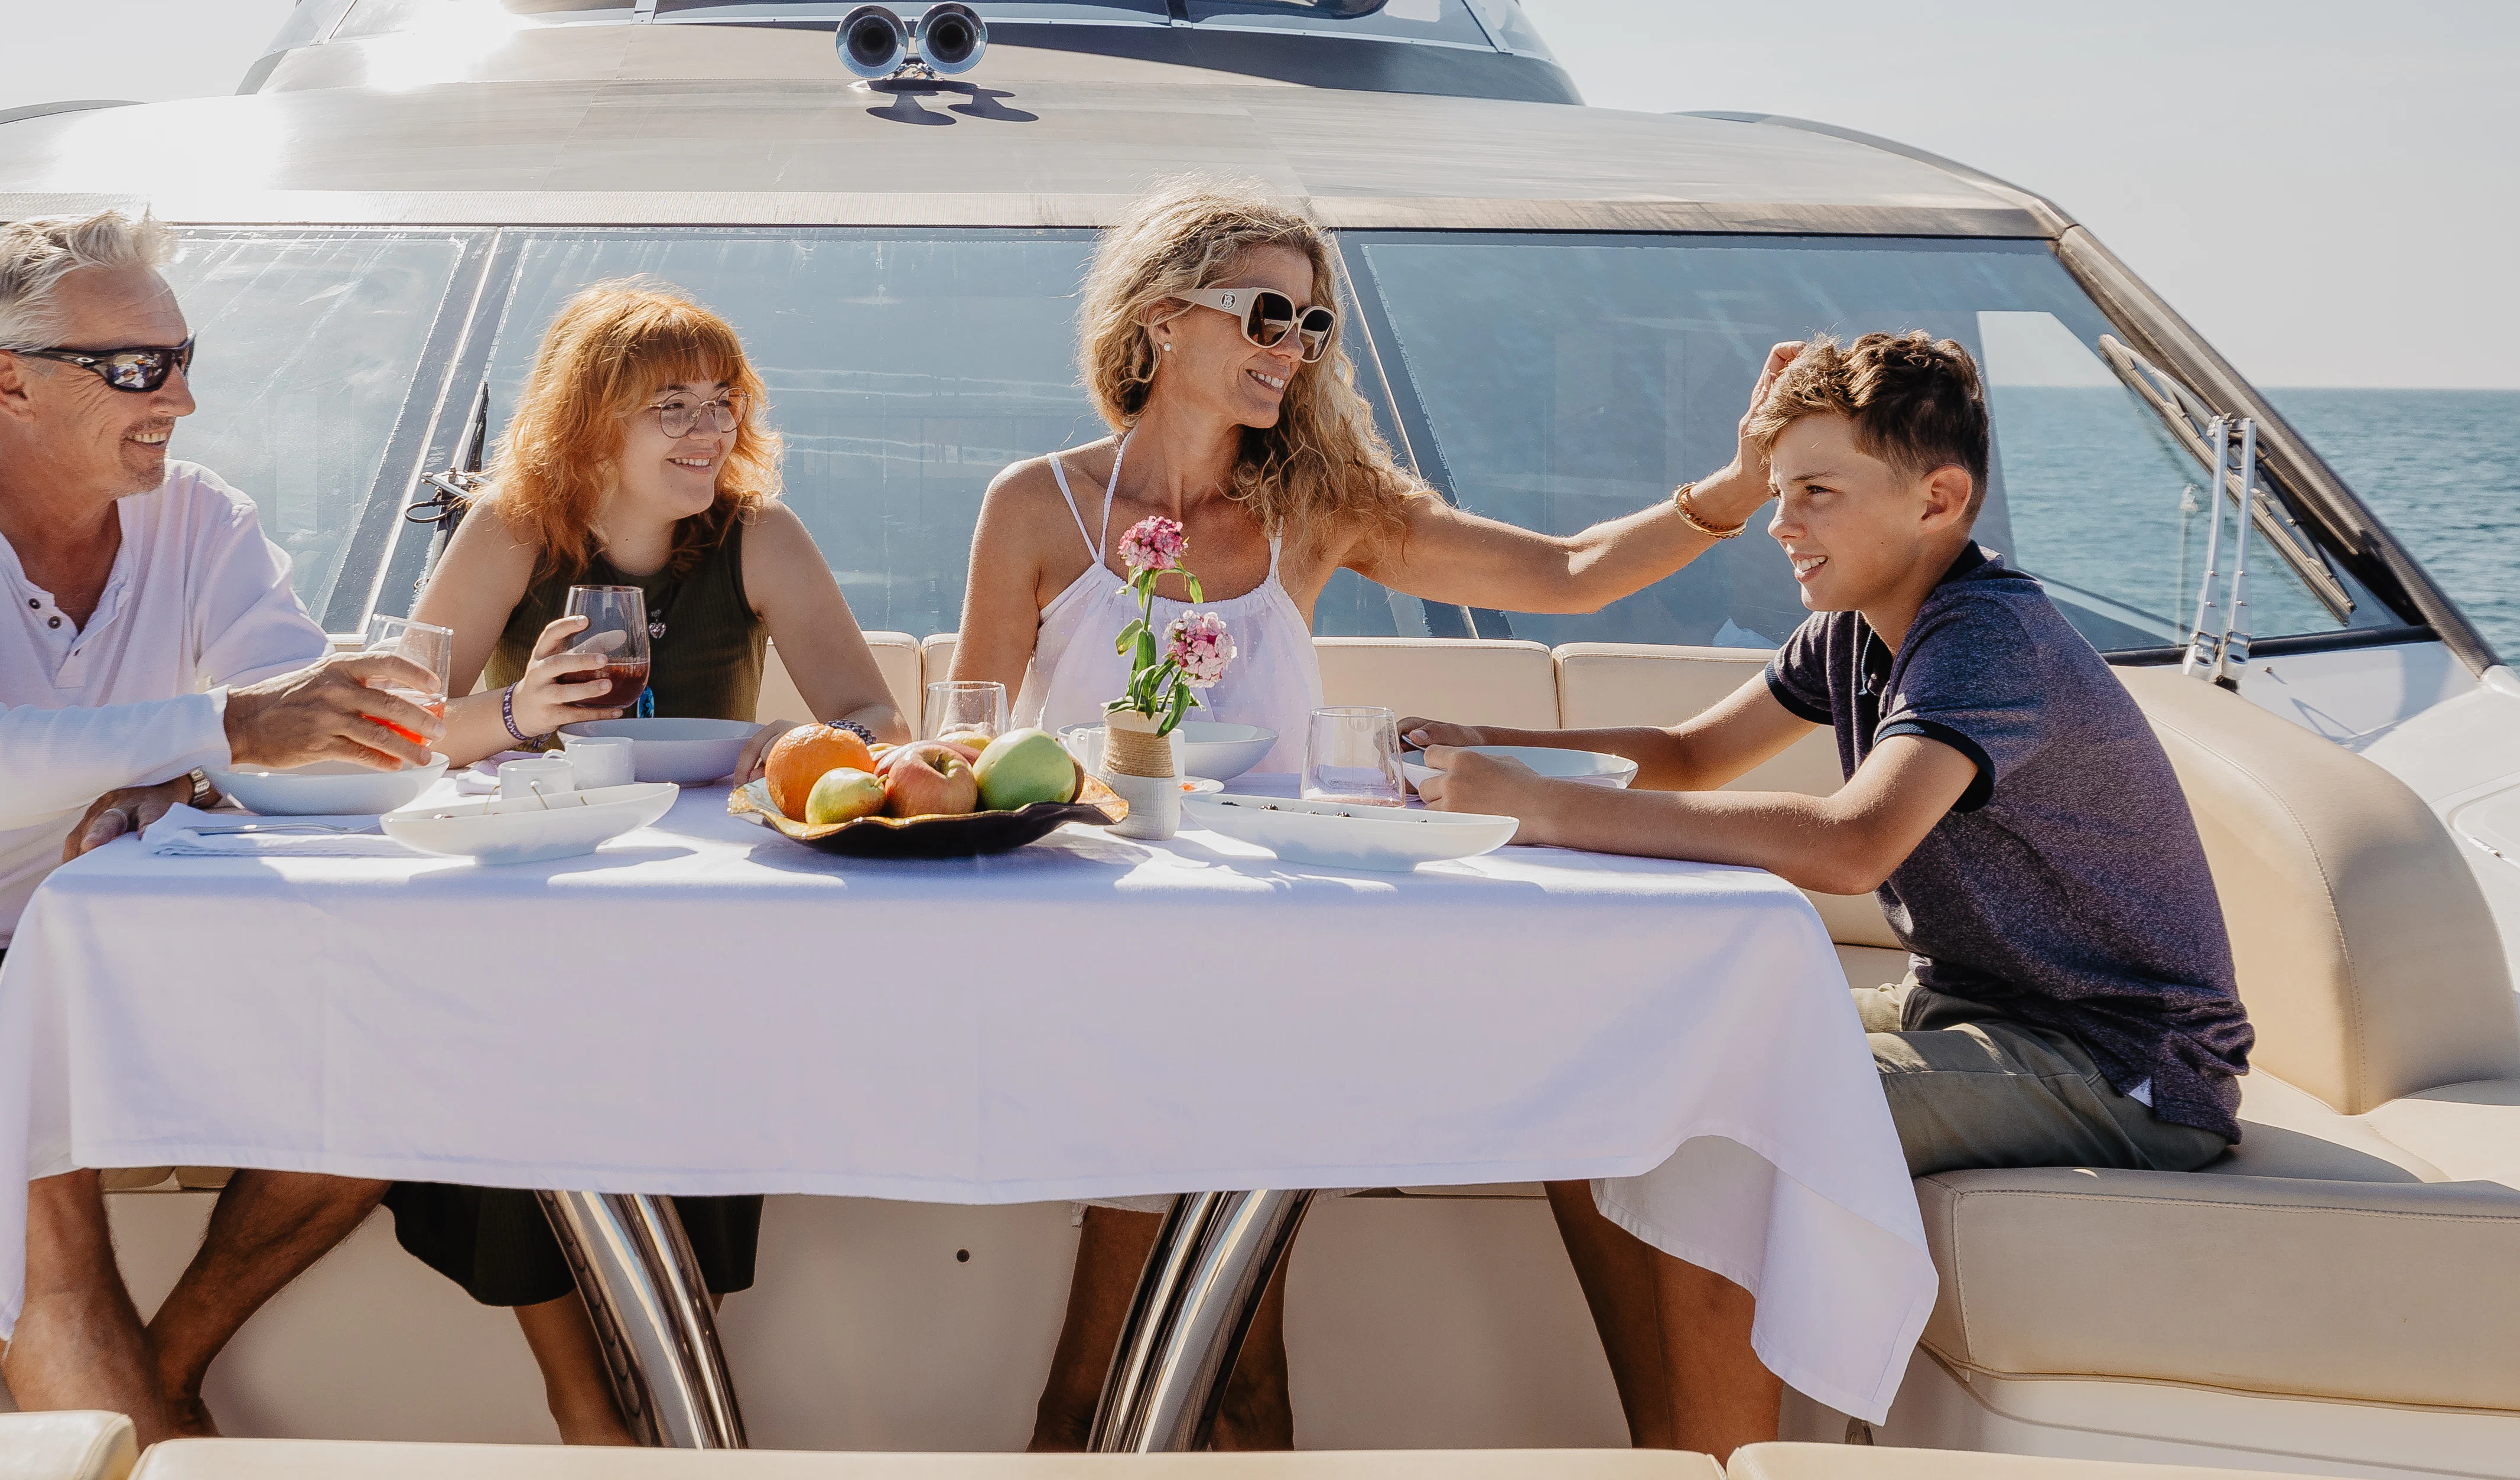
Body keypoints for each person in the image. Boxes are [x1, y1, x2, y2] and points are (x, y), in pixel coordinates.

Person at [949, 174, 1797, 1451]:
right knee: (1105, 1386)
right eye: (1266, 315)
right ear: (1162, 318)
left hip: (1278, 971)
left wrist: (1736, 487)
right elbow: (971, 745)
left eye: (1314, 325)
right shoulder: (1038, 506)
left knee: (1241, 1375)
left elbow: (1567, 574)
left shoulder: (1312, 508)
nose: (1292, 348)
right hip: (1097, 967)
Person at [1408, 330, 2251, 1458]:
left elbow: (1856, 843)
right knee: (1593, 1080)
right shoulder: (1857, 628)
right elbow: (1690, 755)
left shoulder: (1987, 637)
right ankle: (1671, 1455)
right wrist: (1482, 745)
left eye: (1815, 492)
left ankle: (1724, 1468)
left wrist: (1543, 807)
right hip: (1970, 1012)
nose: (1780, 522)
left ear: (1937, 500)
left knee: (1709, 1124)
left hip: (2121, 1063)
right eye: (1778, 490)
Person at [0, 210, 440, 1446]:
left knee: (378, 1081)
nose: (179, 398)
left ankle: (158, 1394)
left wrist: (204, 778)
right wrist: (225, 733)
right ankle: (154, 1442)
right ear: (7, 383)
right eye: (134, 367)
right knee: (46, 1195)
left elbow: (309, 727)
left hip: (124, 949)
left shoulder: (204, 519)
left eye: (181, 358)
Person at [403, 279, 906, 1442]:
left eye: (723, 402)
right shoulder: (512, 531)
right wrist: (521, 712)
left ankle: (666, 1379)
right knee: (507, 1082)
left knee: (714, 1097)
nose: (709, 429)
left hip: (702, 906)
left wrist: (798, 744)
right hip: (542, 890)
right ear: (590, 421)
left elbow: (875, 717)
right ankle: (587, 1410)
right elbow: (405, 727)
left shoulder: (759, 537)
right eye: (672, 405)